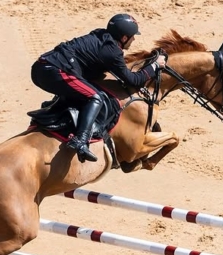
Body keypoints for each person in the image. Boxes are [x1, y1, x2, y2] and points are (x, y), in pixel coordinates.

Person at [31, 14, 167, 163]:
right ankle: (80, 141)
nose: (133, 39)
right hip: (54, 71)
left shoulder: (100, 34)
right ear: (123, 38)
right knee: (94, 96)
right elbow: (133, 80)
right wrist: (155, 66)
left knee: (79, 91)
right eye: (132, 36)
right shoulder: (112, 52)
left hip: (42, 68)